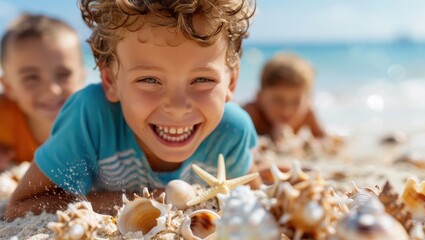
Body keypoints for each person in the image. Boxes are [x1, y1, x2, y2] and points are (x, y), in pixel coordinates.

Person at [6, 0, 261, 219]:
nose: (177, 107)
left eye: (202, 80)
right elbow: (20, 207)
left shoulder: (231, 132)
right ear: (110, 81)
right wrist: (138, 203)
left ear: (233, 81)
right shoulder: (90, 117)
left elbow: (251, 197)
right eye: (149, 80)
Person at [0, 14, 85, 172]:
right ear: (9, 87)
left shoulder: (97, 121)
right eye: (31, 78)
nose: (52, 91)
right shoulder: (4, 115)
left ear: (82, 75)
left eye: (64, 74)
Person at [243, 53, 326, 141]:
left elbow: (324, 139)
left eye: (296, 101)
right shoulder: (251, 115)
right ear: (259, 97)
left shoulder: (308, 115)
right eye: (278, 100)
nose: (286, 110)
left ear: (309, 100)